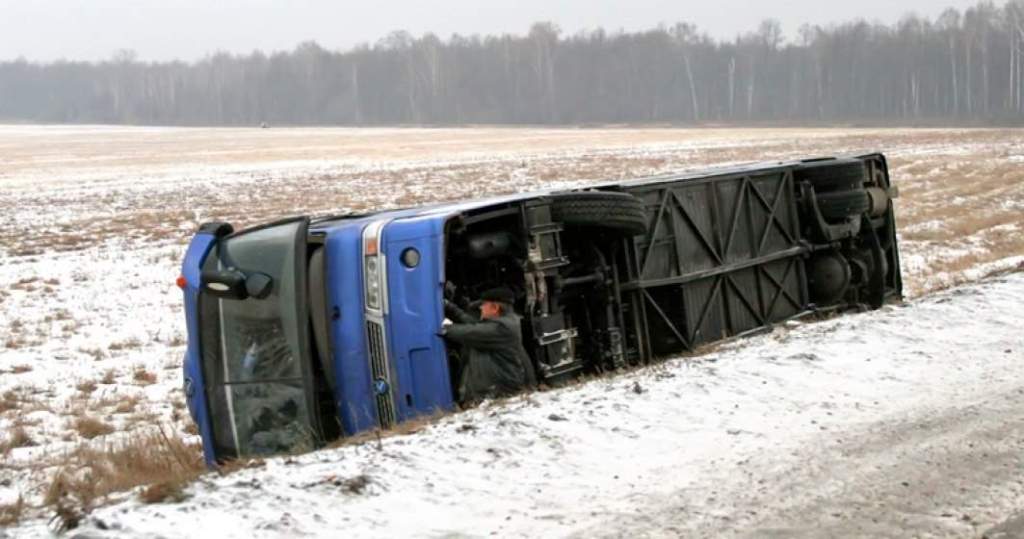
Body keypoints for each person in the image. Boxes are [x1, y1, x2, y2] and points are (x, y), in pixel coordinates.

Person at [441, 286, 537, 403]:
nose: (481, 308)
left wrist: (445, 328)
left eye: (484, 304)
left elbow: (469, 332)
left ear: (495, 308)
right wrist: (451, 308)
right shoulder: (503, 322)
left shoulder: (502, 328)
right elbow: (475, 325)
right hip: (497, 390)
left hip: (500, 393)